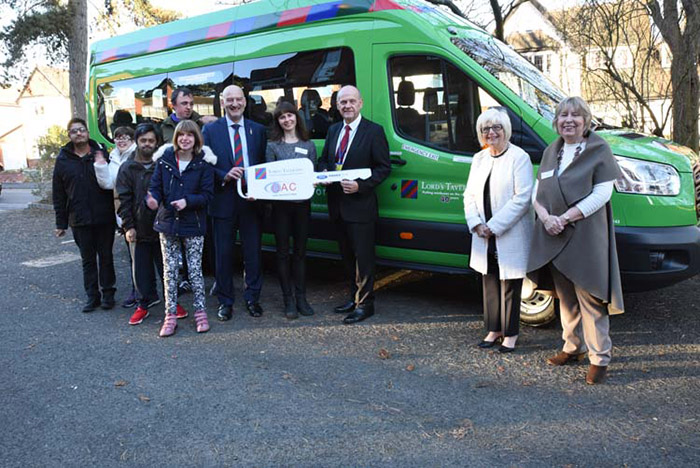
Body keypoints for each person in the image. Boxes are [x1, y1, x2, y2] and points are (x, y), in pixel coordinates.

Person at [527, 96, 624, 385]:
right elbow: (537, 191)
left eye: (575, 115)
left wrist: (566, 217)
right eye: (563, 115)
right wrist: (545, 218)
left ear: (586, 121)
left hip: (584, 235)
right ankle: (573, 347)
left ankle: (599, 358)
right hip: (553, 233)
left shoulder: (598, 149)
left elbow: (602, 194)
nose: (568, 120)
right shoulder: (551, 151)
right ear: (556, 122)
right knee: (565, 298)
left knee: (591, 297)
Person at [317, 85, 391, 324]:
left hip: (360, 206)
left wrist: (362, 186)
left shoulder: (374, 131)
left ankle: (366, 304)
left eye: (351, 101)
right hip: (337, 205)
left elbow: (383, 168)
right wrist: (324, 173)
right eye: (342, 102)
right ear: (337, 106)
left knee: (363, 258)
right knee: (347, 256)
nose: (347, 106)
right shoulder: (333, 130)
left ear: (360, 103)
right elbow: (324, 160)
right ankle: (354, 297)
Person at [463, 108, 534, 353]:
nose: (491, 133)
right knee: (489, 280)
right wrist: (476, 224)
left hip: (508, 232)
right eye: (486, 129)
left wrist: (494, 226)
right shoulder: (479, 159)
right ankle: (494, 329)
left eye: (496, 128)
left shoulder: (519, 157)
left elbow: (522, 198)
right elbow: (469, 195)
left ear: (506, 130)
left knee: (510, 283)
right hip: (482, 233)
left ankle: (510, 334)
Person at [203, 84, 267, 322]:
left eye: (238, 99)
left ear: (245, 101)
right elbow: (205, 164)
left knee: (253, 253)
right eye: (229, 100)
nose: (234, 104)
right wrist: (223, 174)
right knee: (223, 254)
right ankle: (225, 301)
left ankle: (253, 298)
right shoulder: (210, 131)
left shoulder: (258, 130)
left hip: (252, 200)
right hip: (223, 200)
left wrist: (260, 190)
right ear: (223, 103)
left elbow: (264, 164)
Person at [146, 120, 215, 337]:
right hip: (168, 223)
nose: (185, 139)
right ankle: (170, 315)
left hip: (193, 224)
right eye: (181, 135)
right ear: (176, 138)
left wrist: (188, 201)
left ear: (196, 139)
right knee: (170, 272)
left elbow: (207, 195)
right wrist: (153, 199)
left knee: (194, 271)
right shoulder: (165, 161)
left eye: (190, 135)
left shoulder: (203, 164)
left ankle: (200, 313)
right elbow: (155, 188)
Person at [52, 118, 116, 312]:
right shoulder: (63, 160)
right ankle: (92, 296)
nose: (78, 133)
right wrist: (61, 223)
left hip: (104, 216)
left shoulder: (101, 153)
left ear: (87, 132)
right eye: (74, 131)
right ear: (69, 136)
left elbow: (113, 183)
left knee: (106, 257)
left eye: (81, 130)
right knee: (87, 259)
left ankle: (108, 294)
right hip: (78, 218)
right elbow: (59, 193)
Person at [265, 101, 317, 319]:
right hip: (281, 208)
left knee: (301, 253)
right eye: (282, 117)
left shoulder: (309, 145)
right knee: (283, 253)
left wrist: (314, 181)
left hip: (302, 206)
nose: (287, 120)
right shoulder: (272, 146)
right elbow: (268, 176)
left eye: (290, 115)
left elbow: (312, 172)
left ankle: (301, 298)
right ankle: (288, 300)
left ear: (297, 117)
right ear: (278, 121)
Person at [116, 123, 166, 325]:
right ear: (137, 141)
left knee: (167, 269)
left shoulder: (163, 164)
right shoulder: (127, 168)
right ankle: (143, 304)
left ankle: (172, 303)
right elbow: (122, 199)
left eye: (151, 141)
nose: (147, 144)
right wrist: (128, 226)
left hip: (163, 227)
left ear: (157, 143)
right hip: (138, 228)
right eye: (143, 140)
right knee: (141, 271)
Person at [94, 125, 140, 308]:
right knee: (133, 257)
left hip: (140, 213)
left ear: (132, 140)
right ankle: (137, 291)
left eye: (125, 138)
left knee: (148, 257)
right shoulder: (113, 157)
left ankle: (148, 292)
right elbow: (107, 184)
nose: (121, 141)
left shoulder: (137, 154)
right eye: (118, 137)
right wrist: (100, 165)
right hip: (123, 214)